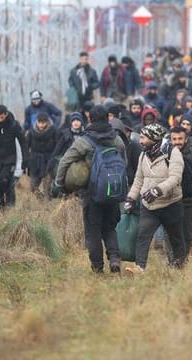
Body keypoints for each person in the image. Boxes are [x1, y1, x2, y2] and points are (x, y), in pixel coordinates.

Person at [54, 105, 126, 274]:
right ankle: (114, 258)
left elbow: (64, 161)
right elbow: (124, 164)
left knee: (93, 231)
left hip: (92, 193)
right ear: (108, 118)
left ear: (89, 119)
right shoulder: (117, 139)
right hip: (113, 191)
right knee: (109, 228)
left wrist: (59, 184)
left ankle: (97, 267)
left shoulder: (84, 141)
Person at [124, 124, 187, 274]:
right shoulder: (143, 155)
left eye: (143, 138)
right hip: (149, 205)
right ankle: (140, 268)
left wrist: (158, 190)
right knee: (143, 235)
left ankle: (179, 266)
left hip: (171, 204)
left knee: (176, 238)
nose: (140, 141)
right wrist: (130, 198)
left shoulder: (173, 153)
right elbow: (139, 179)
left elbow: (175, 178)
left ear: (153, 138)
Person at [25, 112, 58, 196]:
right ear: (36, 122)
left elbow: (58, 146)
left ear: (47, 122)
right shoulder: (31, 131)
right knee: (33, 187)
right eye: (39, 122)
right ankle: (40, 198)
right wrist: (27, 159)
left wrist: (54, 159)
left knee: (47, 187)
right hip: (35, 161)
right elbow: (26, 146)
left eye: (43, 122)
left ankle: (47, 206)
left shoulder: (54, 130)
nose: (41, 125)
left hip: (49, 160)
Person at [48, 112, 84, 178]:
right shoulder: (65, 134)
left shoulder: (85, 134)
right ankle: (58, 185)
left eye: (78, 120)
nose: (76, 122)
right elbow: (58, 149)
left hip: (82, 159)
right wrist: (52, 160)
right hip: (68, 158)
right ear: (71, 122)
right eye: (73, 120)